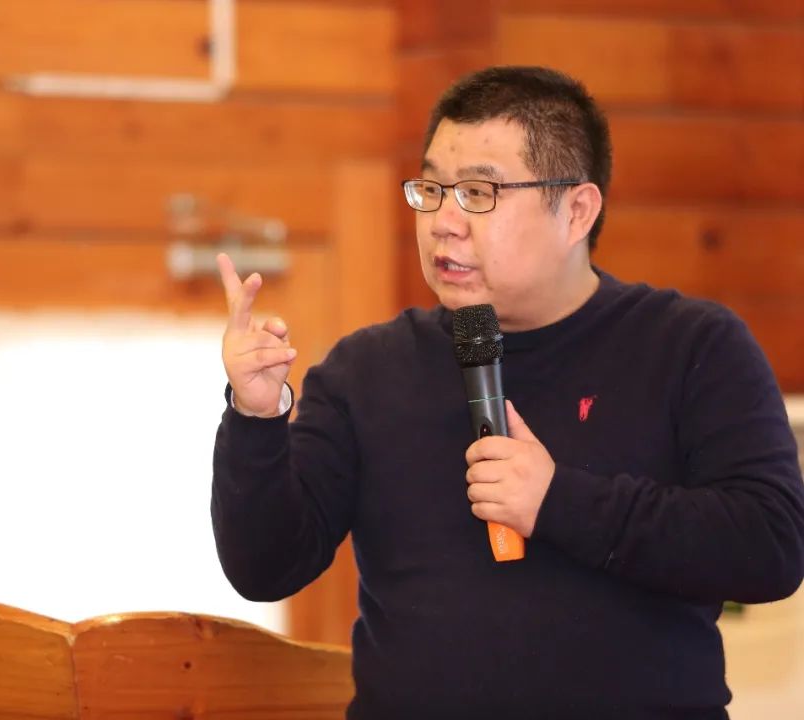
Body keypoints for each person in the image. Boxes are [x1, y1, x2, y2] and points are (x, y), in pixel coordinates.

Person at [210, 66, 804, 719]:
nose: (443, 222)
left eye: (477, 193)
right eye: (432, 189)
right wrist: (256, 418)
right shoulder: (368, 370)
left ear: (576, 211)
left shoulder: (691, 347)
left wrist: (558, 501)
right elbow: (264, 567)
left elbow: (772, 546)